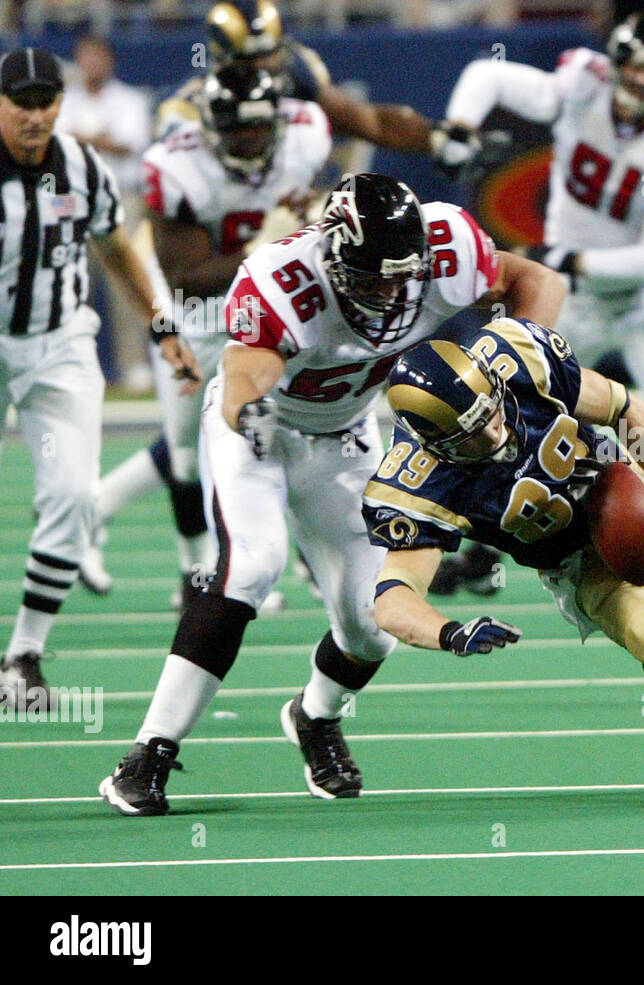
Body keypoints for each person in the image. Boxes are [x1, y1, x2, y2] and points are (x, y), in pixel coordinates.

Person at [99, 173, 565, 816]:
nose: (392, 292)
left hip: (345, 435)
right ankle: (147, 753)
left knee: (374, 626)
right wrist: (245, 402)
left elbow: (538, 282)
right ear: (337, 255)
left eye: (403, 275)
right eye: (374, 277)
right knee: (251, 569)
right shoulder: (283, 277)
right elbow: (243, 370)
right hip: (260, 429)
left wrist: (517, 367)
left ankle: (315, 715)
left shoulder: (448, 245)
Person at [361, 319, 644, 799]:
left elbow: (623, 407)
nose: (493, 432)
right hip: (582, 556)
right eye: (469, 435)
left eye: (490, 411)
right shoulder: (416, 484)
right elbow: (393, 599)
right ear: (433, 443)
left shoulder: (518, 358)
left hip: (633, 483)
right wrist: (448, 632)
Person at [433, 12, 644, 599]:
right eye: (635, 65)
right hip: (572, 297)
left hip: (642, 299)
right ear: (616, 62)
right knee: (515, 408)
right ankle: (483, 550)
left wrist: (564, 255)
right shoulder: (580, 87)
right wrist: (457, 127)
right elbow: (487, 75)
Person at [79, 63, 331, 612]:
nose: (251, 139)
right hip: (193, 318)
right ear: (212, 130)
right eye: (239, 129)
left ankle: (265, 563)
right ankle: (194, 573)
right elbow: (184, 278)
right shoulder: (177, 167)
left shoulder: (304, 137)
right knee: (189, 456)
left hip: (262, 317)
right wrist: (264, 246)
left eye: (260, 127)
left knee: (267, 434)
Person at [0, 48, 198, 709]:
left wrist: (163, 327)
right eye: (20, 102)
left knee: (72, 495)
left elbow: (117, 248)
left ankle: (23, 654)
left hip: (59, 345)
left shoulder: (79, 167)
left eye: (44, 102)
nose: (34, 115)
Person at [156, 0, 454, 159]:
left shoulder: (296, 76)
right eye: (249, 60)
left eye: (269, 55)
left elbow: (369, 122)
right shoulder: (186, 111)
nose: (262, 68)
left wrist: (437, 138)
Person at [55, 34, 154, 392]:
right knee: (71, 281)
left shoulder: (130, 99)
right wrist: (98, 140)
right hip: (71, 198)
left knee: (126, 282)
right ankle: (71, 367)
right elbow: (57, 147)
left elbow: (130, 145)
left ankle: (135, 366)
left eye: (98, 56)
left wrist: (83, 140)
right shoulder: (62, 100)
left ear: (109, 61)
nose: (92, 63)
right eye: (86, 56)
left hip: (120, 194)